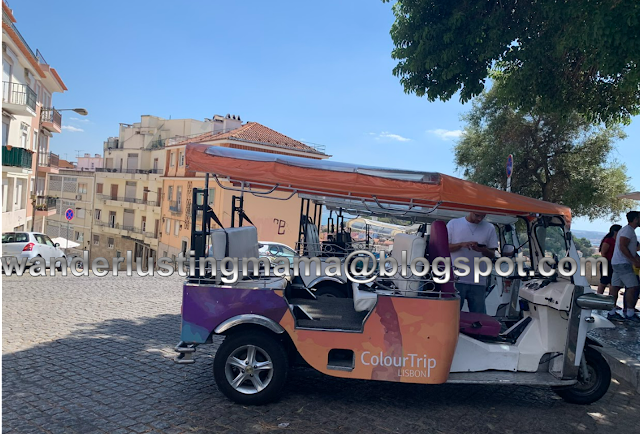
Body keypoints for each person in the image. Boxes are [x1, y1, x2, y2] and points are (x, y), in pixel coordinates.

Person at [447, 212, 498, 313]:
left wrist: (482, 250)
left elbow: (492, 254)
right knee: (452, 315)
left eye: (483, 216)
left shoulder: (490, 228)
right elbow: (445, 247)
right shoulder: (453, 224)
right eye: (477, 215)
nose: (480, 219)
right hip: (456, 279)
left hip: (479, 280)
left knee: (479, 318)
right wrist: (461, 245)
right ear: (470, 211)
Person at [608, 211, 640, 322]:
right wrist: (633, 260)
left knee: (615, 287)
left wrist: (636, 258)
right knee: (633, 287)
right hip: (623, 263)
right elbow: (623, 246)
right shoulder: (628, 231)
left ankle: (611, 312)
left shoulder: (627, 230)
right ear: (635, 219)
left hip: (617, 262)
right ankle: (630, 313)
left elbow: (629, 249)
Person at [597, 224, 622, 295]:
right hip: (607, 262)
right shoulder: (608, 240)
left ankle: (610, 298)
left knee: (613, 282)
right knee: (604, 281)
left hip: (614, 263)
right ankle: (599, 296)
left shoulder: (618, 241)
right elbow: (603, 252)